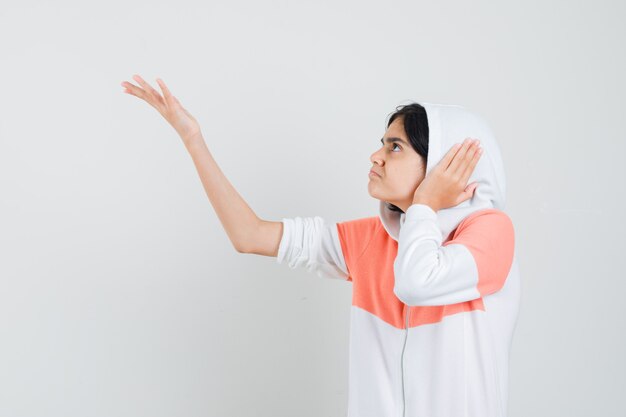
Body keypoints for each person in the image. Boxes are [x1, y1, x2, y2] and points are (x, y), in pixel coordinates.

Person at [121, 75, 521, 417]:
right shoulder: (369, 240)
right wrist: (193, 139)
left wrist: (425, 205)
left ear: (440, 163)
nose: (376, 156)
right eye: (382, 143)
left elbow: (417, 281)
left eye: (394, 147)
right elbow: (249, 234)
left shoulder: (490, 234)